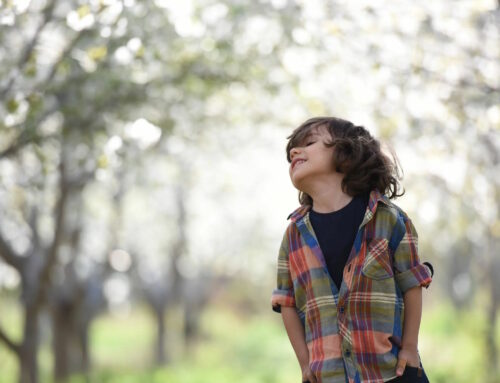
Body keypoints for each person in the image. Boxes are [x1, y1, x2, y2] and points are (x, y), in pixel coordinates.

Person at [271, 117, 434, 383]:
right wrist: (304, 363)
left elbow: (412, 283)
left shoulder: (389, 219)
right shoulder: (293, 237)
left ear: (346, 155)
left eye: (309, 143)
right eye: (291, 151)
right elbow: (286, 302)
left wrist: (410, 347)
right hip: (329, 376)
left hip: (391, 373)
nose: (294, 152)